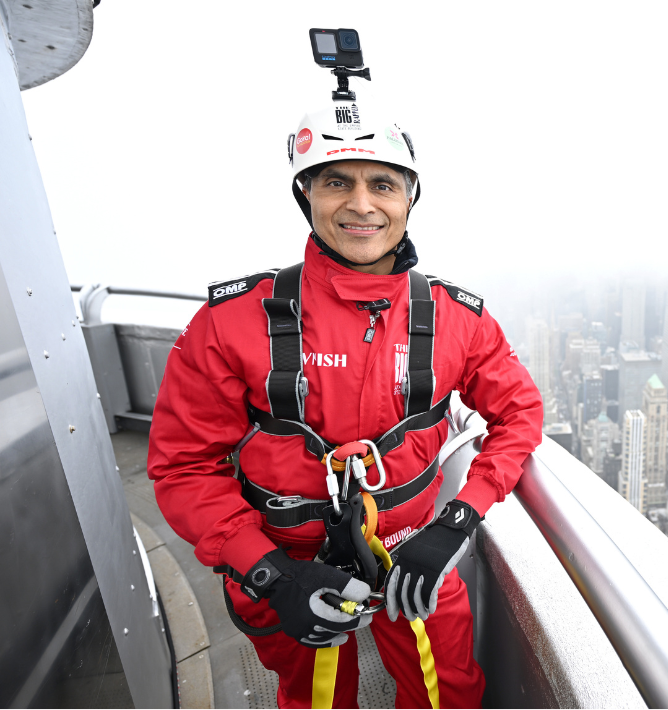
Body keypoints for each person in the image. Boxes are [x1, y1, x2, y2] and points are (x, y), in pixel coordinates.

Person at [147, 97, 544, 709]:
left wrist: (459, 518)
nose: (361, 204)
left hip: (413, 548)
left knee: (447, 695)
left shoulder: (455, 319)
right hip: (287, 558)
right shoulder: (233, 322)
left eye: (382, 184)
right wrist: (269, 574)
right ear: (307, 195)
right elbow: (184, 467)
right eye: (337, 182)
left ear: (409, 198)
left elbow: (519, 414)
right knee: (315, 700)